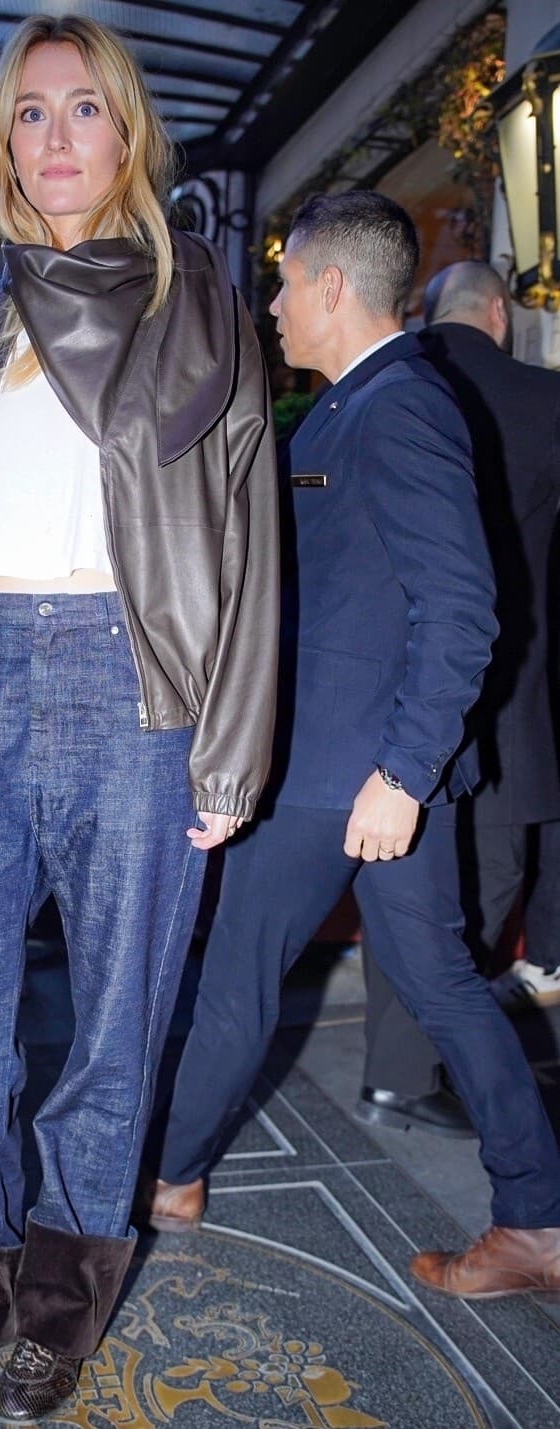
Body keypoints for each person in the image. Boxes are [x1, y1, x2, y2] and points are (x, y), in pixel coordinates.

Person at [0, 15, 279, 1421]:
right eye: (29, 113)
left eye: (82, 108)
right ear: (2, 144)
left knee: (115, 1027)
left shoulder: (200, 306)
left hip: (136, 685)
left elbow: (247, 537)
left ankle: (59, 1307)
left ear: (127, 133)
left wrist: (231, 747)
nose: (54, 135)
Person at [146, 193, 560, 1301]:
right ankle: (536, 1219)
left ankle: (168, 1176)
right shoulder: (353, 404)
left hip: (349, 775)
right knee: (443, 986)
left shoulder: (398, 406)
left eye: (284, 283)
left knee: (235, 983)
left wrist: (401, 774)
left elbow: (461, 607)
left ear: (331, 287)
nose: (273, 304)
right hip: (356, 767)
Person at [358, 261, 560, 1126]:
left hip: (385, 686)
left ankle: (394, 1068)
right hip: (506, 688)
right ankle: (415, 1067)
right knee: (484, 879)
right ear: (499, 315)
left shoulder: (382, 385)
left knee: (399, 877)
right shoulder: (543, 399)